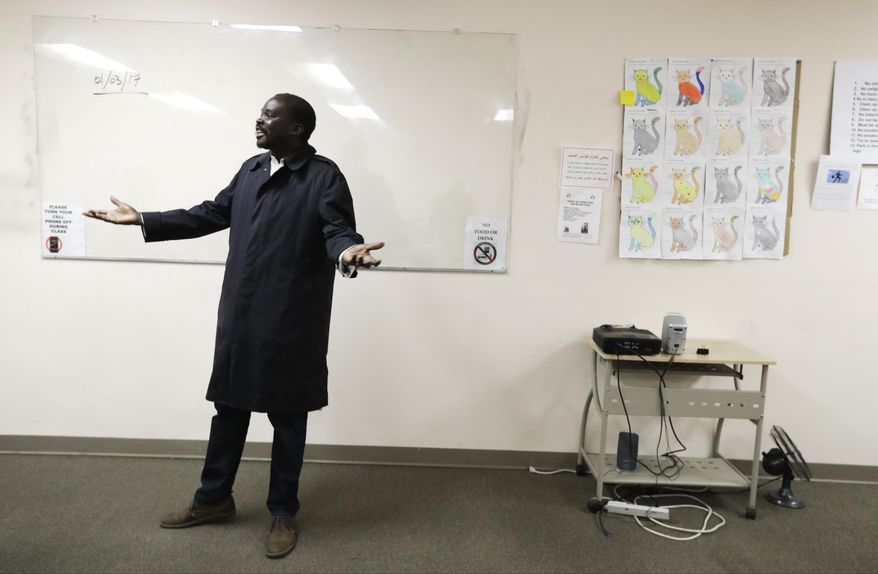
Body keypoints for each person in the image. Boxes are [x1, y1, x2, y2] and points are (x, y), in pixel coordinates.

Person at [84, 93, 384, 559]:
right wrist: (144, 219)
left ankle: (282, 512)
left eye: (268, 115)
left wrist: (348, 252)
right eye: (261, 114)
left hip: (291, 318)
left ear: (297, 129)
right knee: (229, 408)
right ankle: (213, 500)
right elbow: (211, 213)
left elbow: (337, 231)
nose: (258, 120)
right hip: (241, 314)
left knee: (288, 417)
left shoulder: (323, 175)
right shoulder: (251, 169)